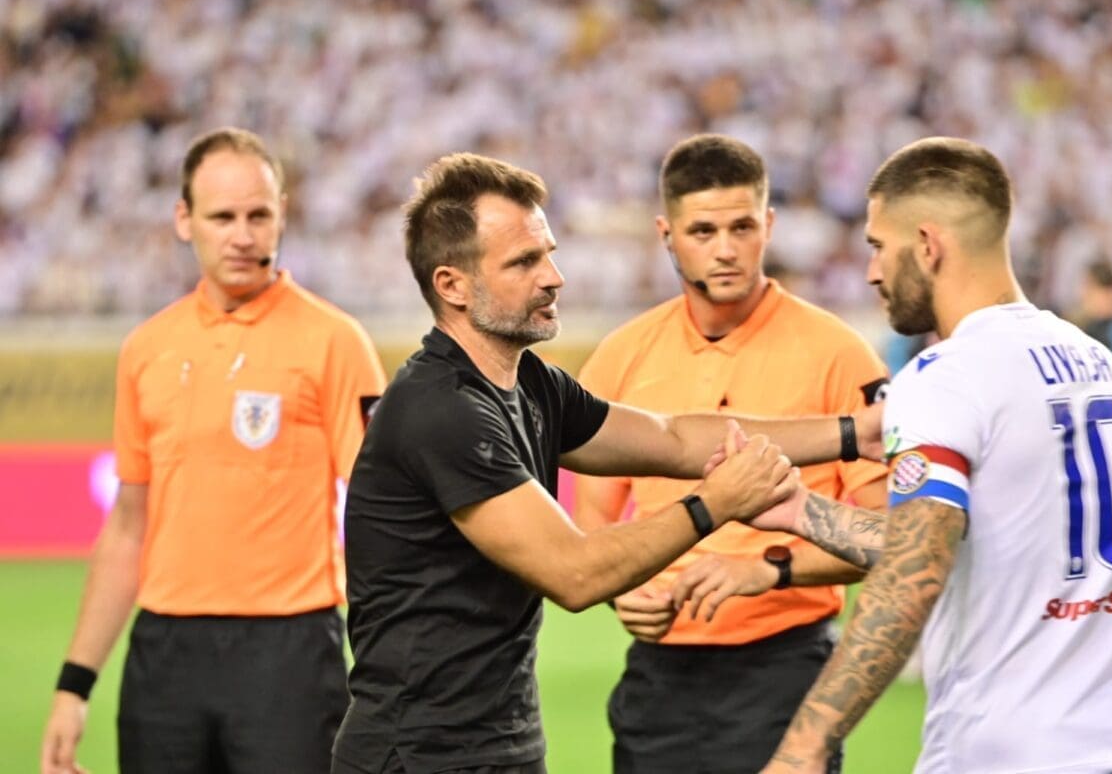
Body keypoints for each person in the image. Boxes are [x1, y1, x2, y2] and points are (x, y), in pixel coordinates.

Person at [331, 152, 883, 774]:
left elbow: (673, 438)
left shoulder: (531, 382)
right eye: (524, 262)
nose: (554, 277)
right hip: (418, 753)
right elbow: (573, 573)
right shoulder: (442, 410)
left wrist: (849, 433)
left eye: (548, 253)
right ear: (452, 285)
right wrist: (715, 505)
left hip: (498, 740)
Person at [718, 137, 1112, 773]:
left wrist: (803, 747)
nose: (872, 272)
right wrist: (802, 511)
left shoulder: (946, 375)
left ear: (928, 245)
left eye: (878, 246)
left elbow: (912, 576)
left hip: (1015, 754)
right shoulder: (1093, 360)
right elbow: (961, 542)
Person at [40, 127, 388, 774]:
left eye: (259, 215)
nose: (243, 235)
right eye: (222, 217)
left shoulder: (335, 342)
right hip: (165, 656)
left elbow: (385, 512)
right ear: (184, 220)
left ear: (283, 214)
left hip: (290, 652)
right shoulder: (146, 349)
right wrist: (74, 684)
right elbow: (128, 527)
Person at [572, 133, 888, 774]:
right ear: (666, 234)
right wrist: (621, 589)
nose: (724, 249)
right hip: (658, 677)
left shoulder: (838, 353)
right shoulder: (621, 355)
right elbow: (593, 515)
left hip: (784, 667)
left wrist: (769, 569)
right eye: (702, 230)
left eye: (741, 227)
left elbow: (886, 534)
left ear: (768, 225)